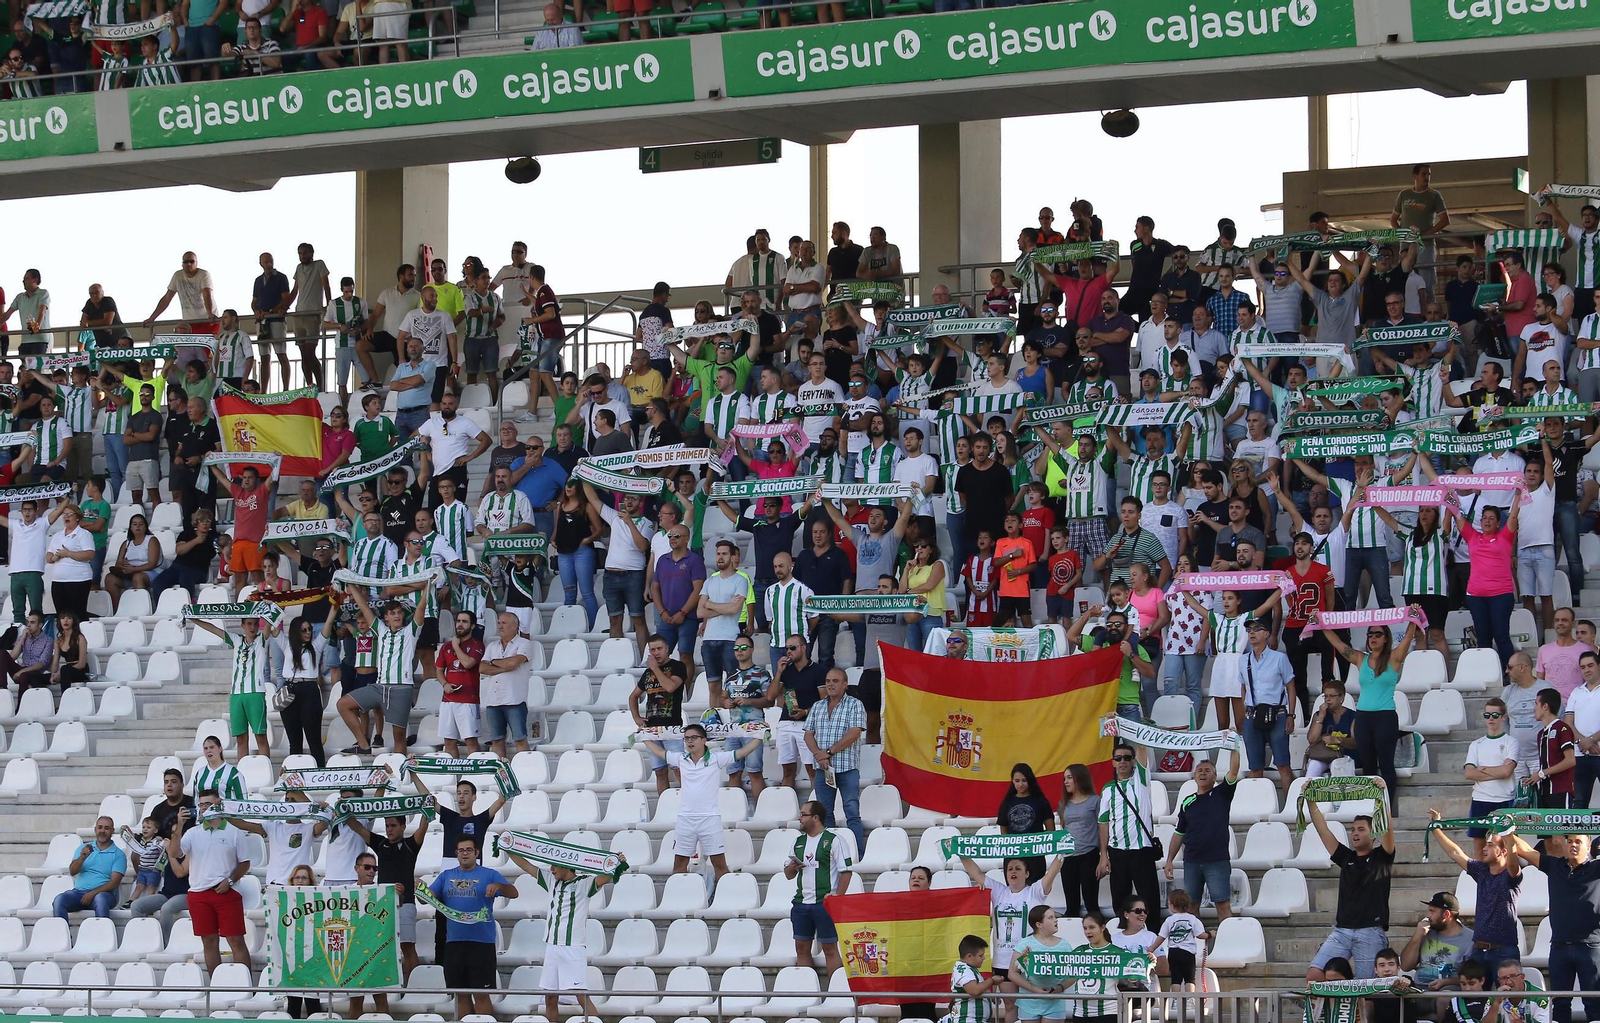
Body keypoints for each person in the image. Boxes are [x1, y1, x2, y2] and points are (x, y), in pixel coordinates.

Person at [503, 849, 621, 1022]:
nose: (551, 869)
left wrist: (616, 862)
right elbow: (526, 866)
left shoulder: (585, 882)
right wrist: (507, 846)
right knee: (550, 997)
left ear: (566, 866)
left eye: (555, 865)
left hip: (572, 946)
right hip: (552, 946)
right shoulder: (551, 880)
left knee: (580, 995)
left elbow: (606, 878)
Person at [1323, 610, 1424, 811]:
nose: (1373, 638)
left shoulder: (1394, 658)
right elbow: (1338, 645)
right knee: (1368, 764)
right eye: (1370, 634)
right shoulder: (1361, 658)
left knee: (1385, 764)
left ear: (1386, 638)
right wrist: (1322, 624)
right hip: (1363, 717)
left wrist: (1412, 617)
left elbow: (1408, 638)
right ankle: (1369, 806)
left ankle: (1385, 807)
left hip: (1385, 716)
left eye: (1378, 634)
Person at [637, 723, 761, 879]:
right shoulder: (681, 758)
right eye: (687, 738)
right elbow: (659, 752)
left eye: (694, 737)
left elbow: (742, 752)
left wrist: (759, 736)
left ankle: (723, 898)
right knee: (679, 866)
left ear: (704, 740)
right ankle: (683, 900)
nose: (690, 741)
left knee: (720, 865)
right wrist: (644, 737)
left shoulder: (717, 758)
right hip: (685, 819)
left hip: (710, 818)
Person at [958, 853, 1067, 1021]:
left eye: (1018, 868)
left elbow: (1050, 874)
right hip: (1002, 959)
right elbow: (977, 874)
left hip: (1028, 957)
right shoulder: (999, 891)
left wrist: (1061, 855)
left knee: (1029, 1003)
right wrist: (961, 853)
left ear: (1027, 873)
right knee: (1010, 1004)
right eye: (1010, 869)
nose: (1013, 872)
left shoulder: (1035, 892)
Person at [1506, 830, 1600, 1023]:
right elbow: (1525, 850)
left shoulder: (1597, 868)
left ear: (1588, 847)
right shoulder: (1555, 866)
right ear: (1565, 846)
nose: (1573, 845)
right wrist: (1507, 831)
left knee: (1594, 1004)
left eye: (1579, 842)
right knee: (1560, 1004)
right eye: (1570, 841)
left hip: (1590, 947)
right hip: (1559, 946)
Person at [1304, 789, 1395, 981]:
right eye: (1353, 829)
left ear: (1374, 834)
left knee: (1366, 990)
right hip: (1342, 931)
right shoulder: (1346, 857)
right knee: (1315, 974)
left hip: (1370, 931)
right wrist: (1311, 802)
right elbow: (1323, 831)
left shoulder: (1382, 857)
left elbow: (1388, 828)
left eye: (1361, 829)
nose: (1355, 833)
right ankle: (1323, 1012)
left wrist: (1382, 795)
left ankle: (1358, 1013)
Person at [1426, 810, 1523, 978]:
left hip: (1504, 950)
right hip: (1478, 950)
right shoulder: (1482, 871)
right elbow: (1456, 853)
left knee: (1508, 998)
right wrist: (1436, 827)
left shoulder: (1510, 875)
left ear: (1504, 851)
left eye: (1490, 845)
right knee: (1474, 999)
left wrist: (1508, 835)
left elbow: (1514, 864)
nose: (1484, 848)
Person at [429, 837, 517, 1021]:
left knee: (481, 994)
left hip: (481, 943)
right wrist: (420, 889)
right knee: (461, 994)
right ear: (456, 854)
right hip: (454, 943)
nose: (465, 853)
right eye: (461, 850)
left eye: (469, 850)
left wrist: (499, 886)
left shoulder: (489, 874)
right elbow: (427, 897)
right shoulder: (446, 875)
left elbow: (513, 893)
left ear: (477, 853)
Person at [168, 789, 252, 975]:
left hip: (226, 892)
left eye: (208, 804)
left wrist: (230, 880)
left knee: (235, 940)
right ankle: (216, 984)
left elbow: (245, 863)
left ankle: (245, 985)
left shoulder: (234, 832)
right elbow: (174, 853)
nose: (204, 808)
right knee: (208, 941)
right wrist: (179, 826)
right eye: (202, 804)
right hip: (198, 893)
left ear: (219, 803)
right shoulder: (193, 832)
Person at [1445, 497, 1521, 671]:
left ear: (1498, 523)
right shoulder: (1473, 537)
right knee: (1483, 637)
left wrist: (1518, 494)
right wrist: (1450, 497)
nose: (1487, 521)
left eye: (1491, 518)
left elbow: (1514, 516)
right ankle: (1488, 672)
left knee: (1501, 635)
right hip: (1476, 596)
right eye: (1485, 518)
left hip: (1501, 594)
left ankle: (1510, 672)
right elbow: (1458, 515)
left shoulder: (1505, 536)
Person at [1163, 754, 1239, 920]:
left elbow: (1234, 771)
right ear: (1194, 775)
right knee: (1190, 906)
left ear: (1215, 776)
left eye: (1207, 770)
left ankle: (1229, 941)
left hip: (1217, 860)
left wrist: (1234, 747)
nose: (1202, 773)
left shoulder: (1222, 794)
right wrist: (1169, 859)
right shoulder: (1187, 802)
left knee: (1222, 905)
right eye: (1199, 770)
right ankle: (1197, 944)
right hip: (1192, 861)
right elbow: (1179, 833)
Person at [1097, 738, 1162, 933]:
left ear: (1133, 761)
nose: (1123, 761)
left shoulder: (1141, 779)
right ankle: (1123, 937)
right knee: (1120, 899)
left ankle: (1152, 938)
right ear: (1113, 762)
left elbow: (1142, 747)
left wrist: (1124, 725)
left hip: (1141, 850)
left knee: (1149, 897)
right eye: (1119, 758)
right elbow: (1103, 822)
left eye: (1127, 757)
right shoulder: (1108, 789)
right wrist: (1103, 855)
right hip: (1117, 851)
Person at [786, 798, 857, 974]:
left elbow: (846, 871)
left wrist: (837, 897)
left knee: (829, 948)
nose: (800, 818)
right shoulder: (798, 842)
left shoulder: (834, 840)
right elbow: (788, 875)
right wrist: (792, 867)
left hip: (824, 903)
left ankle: (835, 992)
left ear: (815, 817)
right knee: (801, 948)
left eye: (803, 814)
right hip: (801, 902)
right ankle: (808, 990)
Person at [188, 614, 272, 761]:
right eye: (249, 624)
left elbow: (271, 621)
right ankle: (242, 774)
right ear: (243, 626)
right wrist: (193, 619)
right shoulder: (236, 639)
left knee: (261, 737)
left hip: (255, 693)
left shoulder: (262, 640)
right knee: (241, 738)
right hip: (236, 695)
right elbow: (214, 629)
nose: (252, 627)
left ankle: (265, 770)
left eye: (255, 624)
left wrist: (268, 607)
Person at [804, 666, 868, 853]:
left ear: (845, 684)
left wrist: (828, 752)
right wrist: (819, 754)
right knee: (825, 814)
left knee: (852, 813)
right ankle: (830, 854)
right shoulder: (817, 706)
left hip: (847, 768)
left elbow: (854, 733)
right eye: (828, 681)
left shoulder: (855, 704)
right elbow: (808, 735)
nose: (830, 684)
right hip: (823, 769)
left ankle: (857, 853)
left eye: (835, 681)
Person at [1241, 615, 1296, 793]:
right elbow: (1243, 687)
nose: (1252, 633)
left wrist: (1291, 715)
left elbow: (1291, 687)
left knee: (1282, 764)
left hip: (1277, 713)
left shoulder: (1279, 658)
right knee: (1255, 767)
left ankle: (1290, 806)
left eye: (1256, 629)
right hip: (1253, 714)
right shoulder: (1243, 660)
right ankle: (1258, 804)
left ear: (1266, 633)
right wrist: (1244, 713)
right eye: (1249, 630)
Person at [632, 633, 689, 795]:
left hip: (671, 727)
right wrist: (636, 717)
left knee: (679, 769)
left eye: (659, 649)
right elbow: (633, 696)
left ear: (667, 649)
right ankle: (665, 803)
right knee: (660, 771)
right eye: (652, 650)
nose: (656, 653)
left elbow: (671, 687)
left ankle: (690, 802)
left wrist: (655, 669)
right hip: (652, 728)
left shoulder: (678, 666)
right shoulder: (647, 673)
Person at [1464, 697, 1519, 852]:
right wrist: (1498, 771)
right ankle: (1480, 876)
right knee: (1479, 845)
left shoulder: (1511, 742)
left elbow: (1507, 771)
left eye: (1495, 715)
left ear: (1503, 717)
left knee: (1506, 846)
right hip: (1480, 799)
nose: (1491, 719)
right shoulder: (1476, 744)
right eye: (1487, 715)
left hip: (1504, 799)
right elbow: (1468, 773)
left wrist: (1482, 770)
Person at [54, 815, 126, 919]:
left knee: (100, 899)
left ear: (112, 831)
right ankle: (62, 934)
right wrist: (82, 858)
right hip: (79, 893)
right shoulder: (84, 848)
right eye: (100, 827)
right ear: (95, 829)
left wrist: (93, 893)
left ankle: (103, 935)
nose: (102, 831)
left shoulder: (119, 854)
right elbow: (72, 871)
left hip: (104, 894)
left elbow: (114, 883)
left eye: (106, 828)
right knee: (59, 900)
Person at [998, 764, 1057, 885]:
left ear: (1030, 780)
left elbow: (1051, 829)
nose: (1020, 784)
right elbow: (1003, 829)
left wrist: (1037, 844)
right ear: (1012, 781)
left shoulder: (1040, 801)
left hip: (1035, 855)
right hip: (1013, 856)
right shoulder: (1007, 802)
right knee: (1015, 893)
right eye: (1017, 781)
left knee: (1035, 894)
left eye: (1024, 780)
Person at [1009, 905, 1069, 1023]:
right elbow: (1012, 973)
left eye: (1054, 917)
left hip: (1055, 1002)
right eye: (1050, 918)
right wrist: (1033, 988)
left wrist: (1060, 988)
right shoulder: (1024, 943)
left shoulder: (1064, 945)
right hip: (1029, 1002)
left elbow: (1074, 973)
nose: (1056, 920)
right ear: (1039, 925)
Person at [1058, 763, 1101, 917]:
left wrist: (1103, 856)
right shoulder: (1063, 804)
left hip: (1089, 854)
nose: (1066, 782)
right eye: (1064, 778)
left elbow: (1102, 828)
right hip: (1069, 857)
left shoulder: (1095, 801)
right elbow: (1064, 829)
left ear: (1079, 778)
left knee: (1091, 902)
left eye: (1069, 778)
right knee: (1071, 905)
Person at [1534, 688, 1577, 808]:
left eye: (1536, 704)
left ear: (1545, 706)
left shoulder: (1562, 728)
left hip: (1561, 790)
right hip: (1545, 791)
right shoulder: (1541, 733)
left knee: (1563, 826)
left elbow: (1570, 760)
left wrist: (1542, 774)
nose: (1534, 708)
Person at [947, 934, 998, 1023]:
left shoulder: (971, 969)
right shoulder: (963, 970)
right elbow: (974, 990)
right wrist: (992, 981)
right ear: (969, 956)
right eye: (980, 955)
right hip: (968, 1020)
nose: (984, 958)